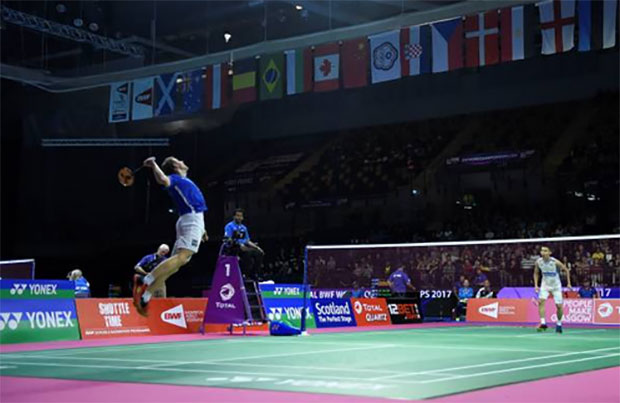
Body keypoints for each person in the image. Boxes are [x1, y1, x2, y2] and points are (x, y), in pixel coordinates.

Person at [132, 156, 208, 316]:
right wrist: (153, 165)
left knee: (178, 263)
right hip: (191, 219)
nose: (183, 161)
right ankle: (145, 280)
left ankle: (146, 296)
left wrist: (203, 229)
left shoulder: (183, 180)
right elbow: (162, 180)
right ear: (175, 166)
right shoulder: (175, 179)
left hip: (193, 220)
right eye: (179, 160)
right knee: (182, 257)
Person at [534, 245, 572, 333]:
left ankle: (559, 324)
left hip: (556, 286)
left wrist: (569, 283)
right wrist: (536, 285)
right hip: (545, 285)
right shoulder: (538, 262)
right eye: (542, 251)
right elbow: (536, 273)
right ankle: (543, 323)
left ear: (550, 253)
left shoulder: (555, 262)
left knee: (559, 306)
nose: (543, 252)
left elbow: (566, 270)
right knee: (541, 301)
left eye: (545, 251)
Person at [223, 208, 265, 280]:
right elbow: (227, 239)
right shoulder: (229, 226)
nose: (239, 217)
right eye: (237, 216)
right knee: (247, 253)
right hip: (232, 247)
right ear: (234, 217)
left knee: (259, 253)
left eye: (241, 216)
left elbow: (247, 241)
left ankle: (253, 274)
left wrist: (257, 248)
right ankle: (244, 274)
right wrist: (239, 244)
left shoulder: (244, 228)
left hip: (243, 247)